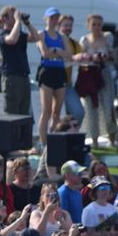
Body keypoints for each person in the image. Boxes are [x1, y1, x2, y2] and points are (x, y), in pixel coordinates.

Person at [79, 13, 117, 146]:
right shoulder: (84, 40)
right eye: (93, 24)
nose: (96, 27)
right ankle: (94, 141)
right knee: (91, 108)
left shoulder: (107, 37)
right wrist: (91, 58)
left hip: (104, 74)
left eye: (99, 24)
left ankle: (112, 139)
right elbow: (81, 58)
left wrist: (105, 57)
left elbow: (114, 56)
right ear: (88, 25)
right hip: (90, 76)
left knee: (108, 108)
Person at [0, 6, 41, 117]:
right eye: (13, 17)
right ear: (4, 18)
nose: (16, 19)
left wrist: (27, 23)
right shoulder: (0, 33)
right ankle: (10, 135)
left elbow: (36, 38)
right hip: (11, 77)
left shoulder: (19, 33)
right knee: (11, 114)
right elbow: (11, 40)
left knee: (23, 114)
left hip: (24, 77)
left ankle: (21, 135)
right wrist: (18, 22)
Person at [34, 8, 71, 147]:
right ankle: (43, 142)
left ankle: (53, 137)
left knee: (57, 111)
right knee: (46, 111)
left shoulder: (61, 37)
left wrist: (55, 51)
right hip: (47, 72)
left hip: (59, 72)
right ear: (46, 19)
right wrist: (57, 51)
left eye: (56, 18)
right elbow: (44, 53)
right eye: (51, 18)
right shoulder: (41, 34)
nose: (53, 20)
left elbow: (68, 53)